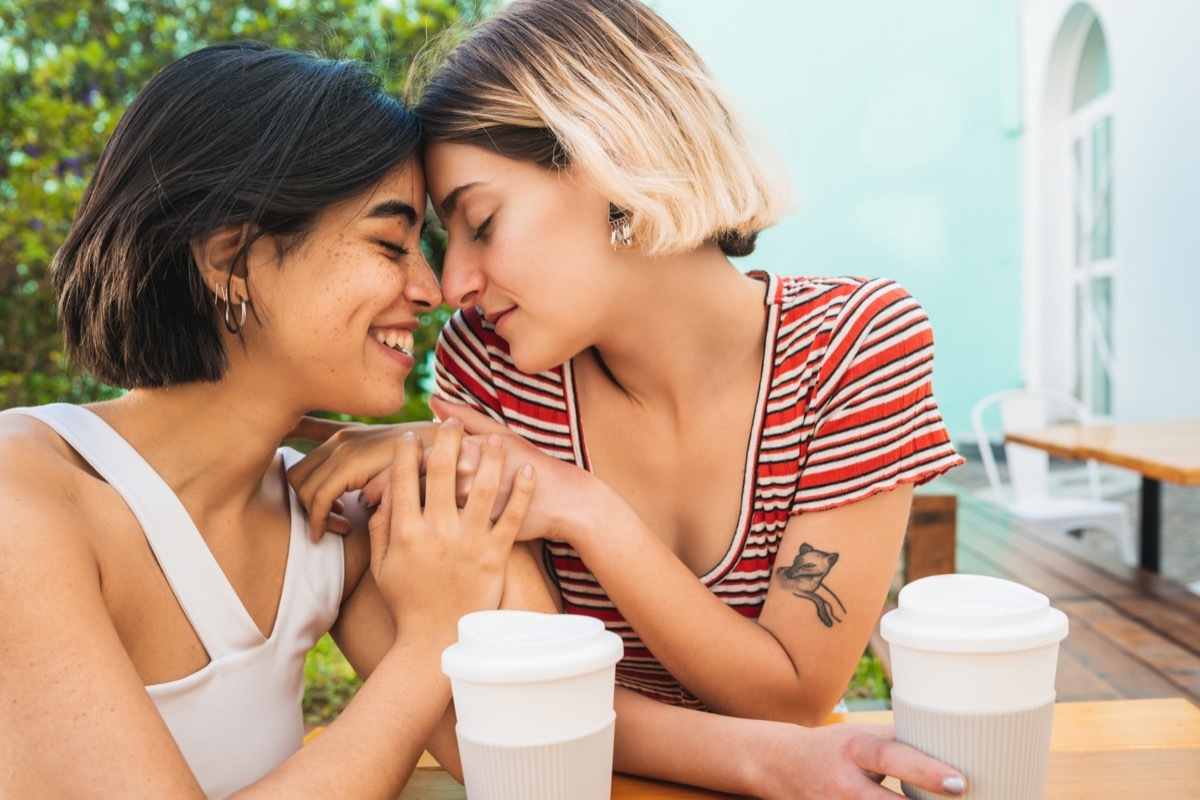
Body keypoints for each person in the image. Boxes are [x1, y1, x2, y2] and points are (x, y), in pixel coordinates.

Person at [286, 0, 967, 796]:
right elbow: (527, 704)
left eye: (482, 222)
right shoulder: (496, 367)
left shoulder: (853, 348)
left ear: (615, 160)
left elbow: (790, 698)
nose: (455, 284)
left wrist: (582, 507)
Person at [0, 41, 541, 799]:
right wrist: (428, 643)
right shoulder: (24, 501)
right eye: (390, 244)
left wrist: (457, 457)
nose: (432, 289)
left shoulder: (326, 519)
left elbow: (529, 751)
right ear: (231, 258)